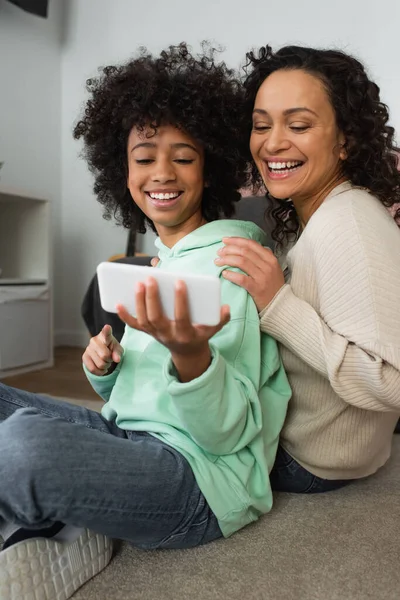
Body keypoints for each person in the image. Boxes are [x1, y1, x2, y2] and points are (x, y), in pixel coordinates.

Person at [0, 44, 291, 599]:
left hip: (199, 482)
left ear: (209, 170)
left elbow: (230, 433)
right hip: (127, 438)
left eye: (183, 157)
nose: (162, 173)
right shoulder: (165, 260)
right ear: (122, 169)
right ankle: (67, 509)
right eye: (144, 157)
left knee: (19, 449)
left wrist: (191, 355)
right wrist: (107, 371)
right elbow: (141, 392)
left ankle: (54, 517)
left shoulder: (231, 264)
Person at [215, 45, 400, 493]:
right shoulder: (320, 214)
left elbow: (391, 382)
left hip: (311, 458)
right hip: (311, 442)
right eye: (261, 126)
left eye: (298, 125)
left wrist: (277, 304)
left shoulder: (348, 220)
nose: (272, 142)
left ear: (345, 140)